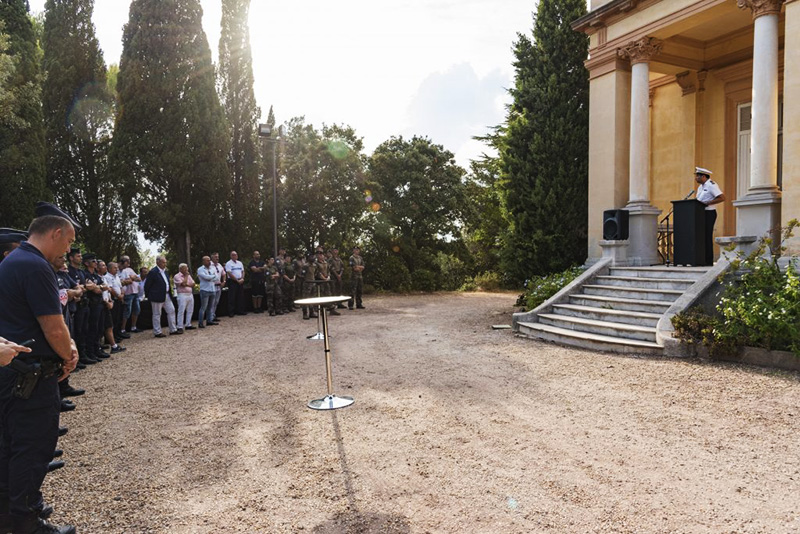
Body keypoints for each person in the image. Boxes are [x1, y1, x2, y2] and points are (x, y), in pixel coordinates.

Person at [0, 201, 79, 534]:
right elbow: (53, 326)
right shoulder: (35, 266)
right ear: (56, 232)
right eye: (70, 242)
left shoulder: (14, 262)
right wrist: (70, 354)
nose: (69, 249)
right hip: (31, 376)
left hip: (13, 372)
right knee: (33, 447)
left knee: (11, 447)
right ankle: (27, 521)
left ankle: (9, 515)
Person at [695, 166, 725, 266]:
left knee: (707, 237)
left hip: (709, 213)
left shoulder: (711, 185)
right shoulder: (700, 187)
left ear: (703, 176)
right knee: (701, 237)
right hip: (700, 214)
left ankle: (708, 261)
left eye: (697, 176)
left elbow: (722, 197)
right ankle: (701, 259)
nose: (696, 178)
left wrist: (708, 203)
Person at [144, 256, 179, 337]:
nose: (165, 264)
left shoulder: (165, 272)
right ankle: (157, 332)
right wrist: (149, 295)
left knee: (171, 310)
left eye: (165, 262)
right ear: (158, 262)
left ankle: (173, 329)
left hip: (166, 295)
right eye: (163, 262)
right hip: (156, 296)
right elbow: (147, 285)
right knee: (157, 314)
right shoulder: (153, 272)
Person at [118, 256, 141, 334]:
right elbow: (124, 281)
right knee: (127, 311)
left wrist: (132, 278)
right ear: (122, 262)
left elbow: (138, 279)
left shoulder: (129, 269)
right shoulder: (117, 270)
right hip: (127, 293)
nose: (128, 264)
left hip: (135, 292)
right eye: (127, 262)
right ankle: (123, 329)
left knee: (137, 309)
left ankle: (133, 327)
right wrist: (129, 279)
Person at [196, 256, 219, 328]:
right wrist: (211, 277)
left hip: (212, 289)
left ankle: (209, 320)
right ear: (203, 261)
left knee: (211, 307)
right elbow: (205, 277)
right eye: (207, 260)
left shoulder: (212, 268)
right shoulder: (200, 269)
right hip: (205, 290)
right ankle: (200, 323)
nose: (209, 262)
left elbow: (217, 278)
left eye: (209, 260)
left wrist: (210, 277)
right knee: (203, 307)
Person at [173, 264, 195, 332]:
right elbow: (183, 284)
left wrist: (187, 284)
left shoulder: (188, 275)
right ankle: (180, 326)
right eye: (185, 268)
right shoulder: (177, 276)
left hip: (190, 294)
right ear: (181, 269)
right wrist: (186, 276)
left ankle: (188, 324)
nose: (187, 270)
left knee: (190, 310)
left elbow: (193, 284)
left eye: (187, 268)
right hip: (182, 294)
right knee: (181, 311)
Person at [225, 251, 245, 316]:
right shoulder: (228, 263)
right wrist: (236, 280)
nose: (235, 256)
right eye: (233, 255)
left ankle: (240, 310)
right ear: (231, 256)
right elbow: (229, 273)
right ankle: (231, 312)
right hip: (232, 281)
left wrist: (242, 278)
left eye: (236, 255)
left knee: (240, 296)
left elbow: (243, 271)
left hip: (240, 281)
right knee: (232, 297)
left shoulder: (240, 263)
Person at [209, 252, 226, 323]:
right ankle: (210, 317)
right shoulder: (209, 265)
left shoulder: (219, 265)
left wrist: (224, 282)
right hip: (212, 286)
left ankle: (213, 315)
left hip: (219, 286)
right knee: (211, 302)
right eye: (215, 257)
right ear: (212, 257)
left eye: (218, 257)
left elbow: (224, 274)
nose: (217, 258)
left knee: (216, 302)